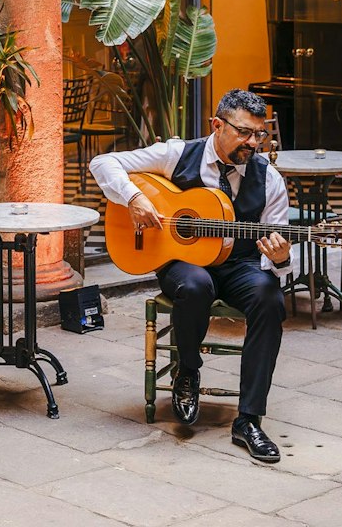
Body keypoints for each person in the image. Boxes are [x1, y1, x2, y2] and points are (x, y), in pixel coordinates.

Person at [89, 88, 291, 464]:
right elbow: (103, 163)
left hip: (240, 265)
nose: (253, 142)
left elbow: (276, 252)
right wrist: (133, 198)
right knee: (195, 285)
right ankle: (188, 371)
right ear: (217, 125)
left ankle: (248, 420)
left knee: (270, 298)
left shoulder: (269, 179)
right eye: (244, 132)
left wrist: (281, 258)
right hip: (182, 261)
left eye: (259, 134)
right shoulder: (177, 154)